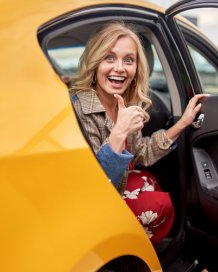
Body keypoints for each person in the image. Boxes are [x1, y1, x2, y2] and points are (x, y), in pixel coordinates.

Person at [70, 22, 208, 244]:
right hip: (88, 209)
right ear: (95, 62)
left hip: (113, 192)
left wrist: (182, 122)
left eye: (128, 60)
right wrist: (119, 131)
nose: (120, 68)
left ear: (136, 69)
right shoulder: (78, 108)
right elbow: (94, 188)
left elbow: (141, 152)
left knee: (152, 188)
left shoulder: (122, 103)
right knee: (156, 206)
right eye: (109, 58)